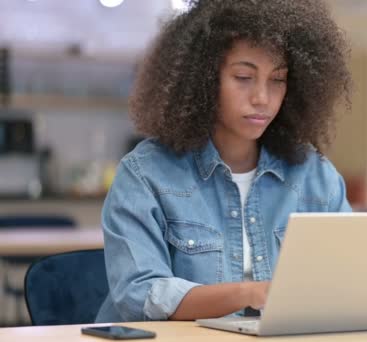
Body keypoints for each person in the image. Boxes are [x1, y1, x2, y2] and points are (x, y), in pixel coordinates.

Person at [95, 0, 352, 322]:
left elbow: (346, 280)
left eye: (278, 79)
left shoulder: (315, 175)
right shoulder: (145, 174)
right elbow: (139, 295)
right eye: (244, 76)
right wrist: (249, 294)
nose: (262, 97)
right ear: (202, 78)